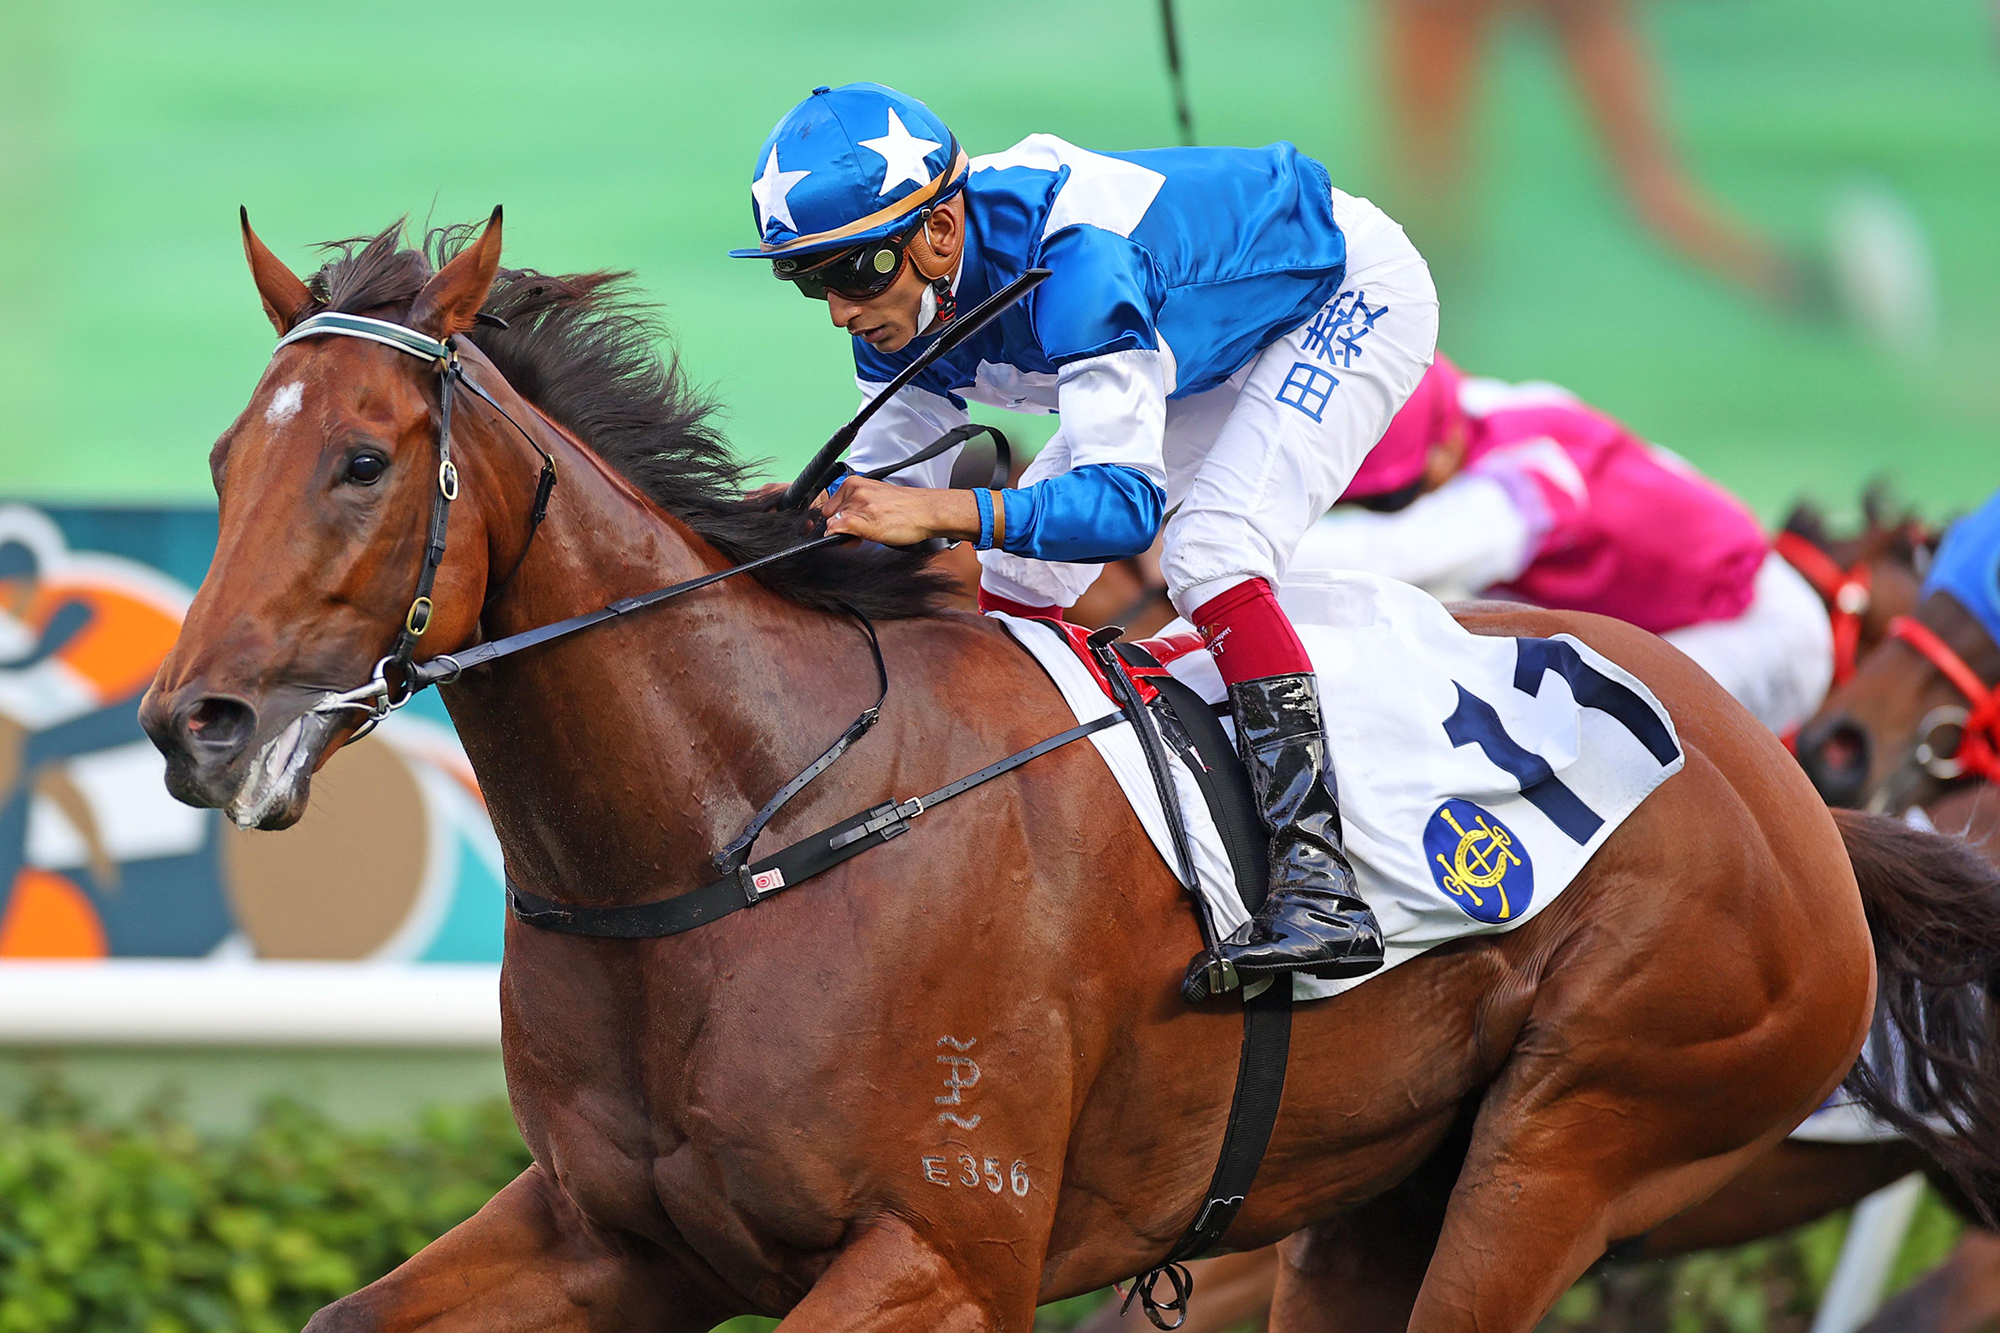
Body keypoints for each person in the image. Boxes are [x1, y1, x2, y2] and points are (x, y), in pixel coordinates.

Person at [731, 83, 1438, 989]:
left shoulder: (1077, 262)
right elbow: (875, 505)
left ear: (939, 233)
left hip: (1336, 295)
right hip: (1188, 336)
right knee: (1018, 579)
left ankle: (1320, 883)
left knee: (1211, 550)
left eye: (857, 272)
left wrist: (952, 513)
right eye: (809, 278)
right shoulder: (895, 297)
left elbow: (1124, 510)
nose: (838, 309)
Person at [1299, 355, 1834, 734]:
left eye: (1383, 498)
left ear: (1442, 456)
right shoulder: (1479, 402)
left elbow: (1385, 554)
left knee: (1587, 743)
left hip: (1760, 633)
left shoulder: (1520, 491)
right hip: (1698, 602)